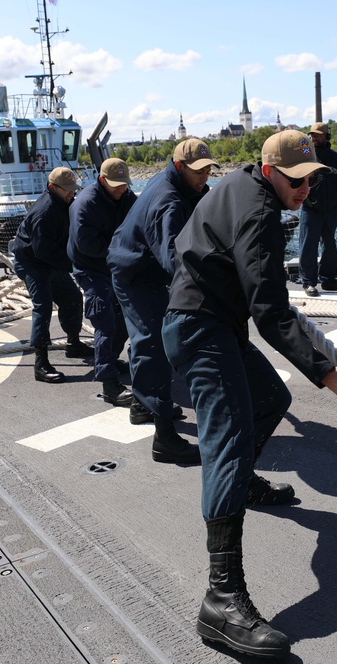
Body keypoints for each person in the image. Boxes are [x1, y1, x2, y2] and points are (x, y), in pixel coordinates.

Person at [162, 130, 337, 658]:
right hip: (200, 328)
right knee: (227, 443)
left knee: (270, 400)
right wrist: (330, 373)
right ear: (270, 170)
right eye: (296, 180)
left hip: (211, 321)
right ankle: (221, 602)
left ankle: (241, 484)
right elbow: (272, 311)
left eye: (312, 178)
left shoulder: (236, 183)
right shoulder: (260, 214)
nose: (304, 190)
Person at [108, 139, 216, 464]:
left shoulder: (182, 183)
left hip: (143, 265)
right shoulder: (168, 202)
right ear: (180, 166)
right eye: (198, 171)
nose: (205, 176)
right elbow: (173, 259)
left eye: (209, 169)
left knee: (151, 339)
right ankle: (164, 440)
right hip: (135, 273)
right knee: (153, 342)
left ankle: (142, 405)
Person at [11, 167, 91, 383]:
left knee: (72, 297)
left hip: (51, 260)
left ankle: (73, 343)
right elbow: (42, 251)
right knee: (43, 306)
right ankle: (41, 363)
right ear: (51, 187)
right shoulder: (44, 212)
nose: (71, 193)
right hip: (32, 263)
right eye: (66, 190)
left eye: (73, 189)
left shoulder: (64, 203)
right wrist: (75, 265)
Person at [68, 158, 137, 406]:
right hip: (91, 267)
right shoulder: (85, 204)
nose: (121, 189)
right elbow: (85, 244)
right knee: (104, 321)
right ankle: (109, 385)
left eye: (124, 185)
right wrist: (122, 249)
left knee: (124, 317)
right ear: (101, 180)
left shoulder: (127, 197)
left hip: (115, 265)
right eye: (116, 185)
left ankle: (108, 359)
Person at [298, 122, 337, 297]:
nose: (314, 138)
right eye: (312, 135)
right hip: (310, 209)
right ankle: (308, 283)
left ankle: (328, 280)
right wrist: (303, 196)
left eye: (318, 135)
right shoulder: (304, 160)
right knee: (308, 245)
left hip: (331, 210)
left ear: (327, 137)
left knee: (330, 246)